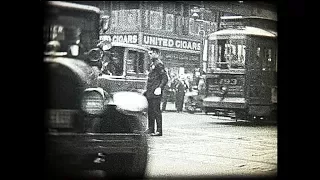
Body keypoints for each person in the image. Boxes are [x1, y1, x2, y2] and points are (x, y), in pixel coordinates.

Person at [144, 48, 168, 136]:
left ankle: (159, 130)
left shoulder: (159, 64)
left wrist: (160, 88)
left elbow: (165, 78)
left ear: (156, 53)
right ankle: (151, 128)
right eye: (149, 53)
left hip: (155, 91)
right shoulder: (152, 64)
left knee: (156, 111)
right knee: (150, 110)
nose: (149, 55)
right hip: (150, 91)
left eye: (151, 53)